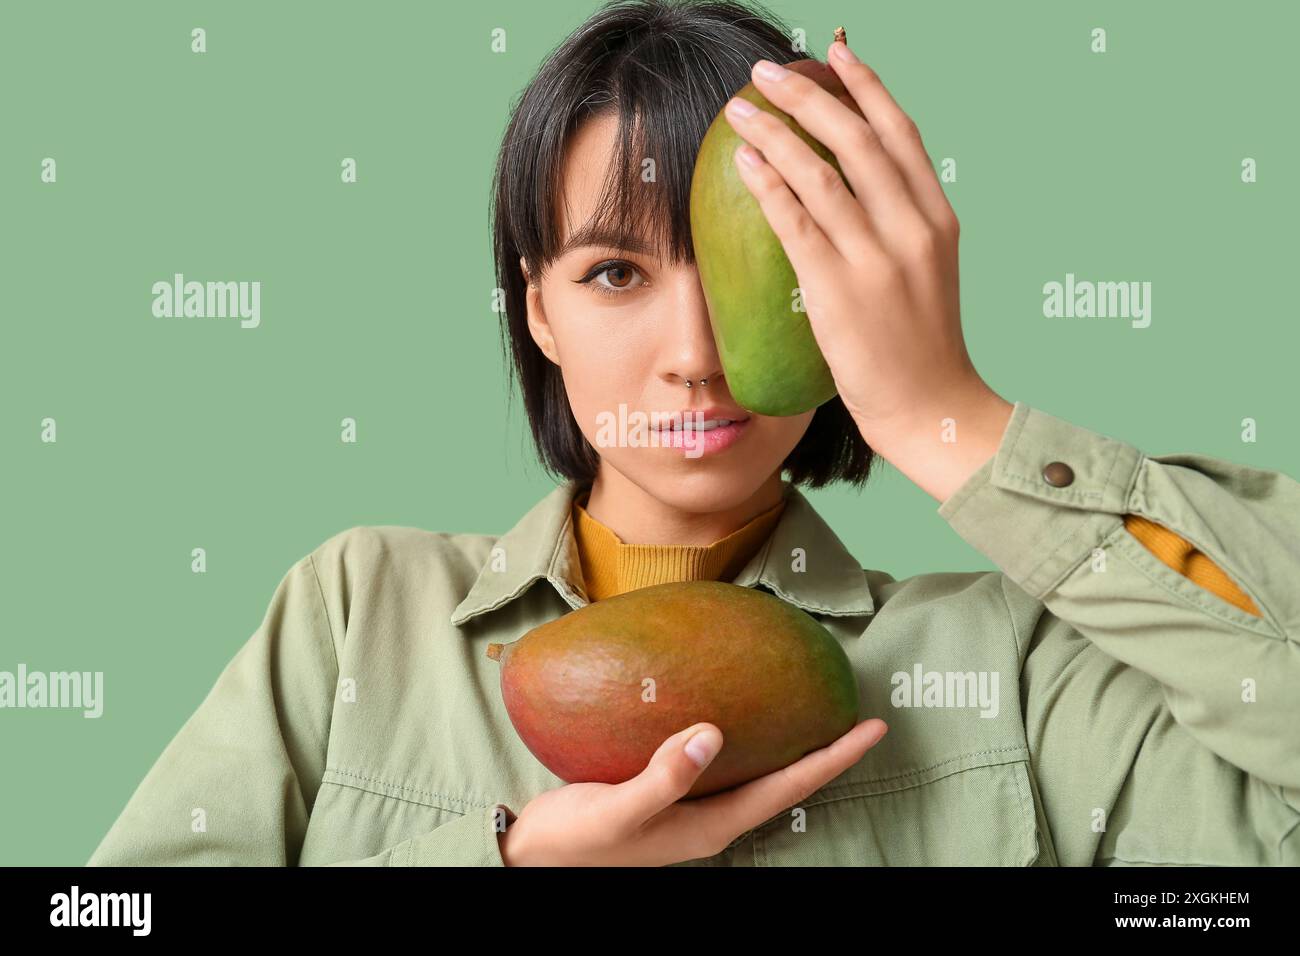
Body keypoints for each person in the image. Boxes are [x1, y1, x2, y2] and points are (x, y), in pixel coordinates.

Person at [88, 0, 1299, 867]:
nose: (697, 352)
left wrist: (952, 418)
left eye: (750, 270)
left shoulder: (1012, 663)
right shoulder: (357, 612)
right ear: (538, 312)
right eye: (615, 272)